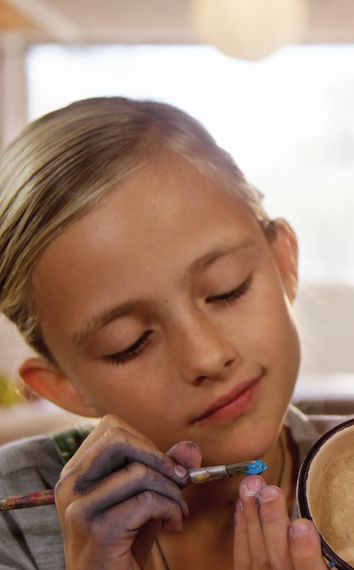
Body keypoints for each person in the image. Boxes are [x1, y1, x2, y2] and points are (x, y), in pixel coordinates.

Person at [0, 97, 332, 569]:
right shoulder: (10, 524)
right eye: (129, 343)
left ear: (283, 263)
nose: (206, 357)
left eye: (226, 290)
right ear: (65, 387)